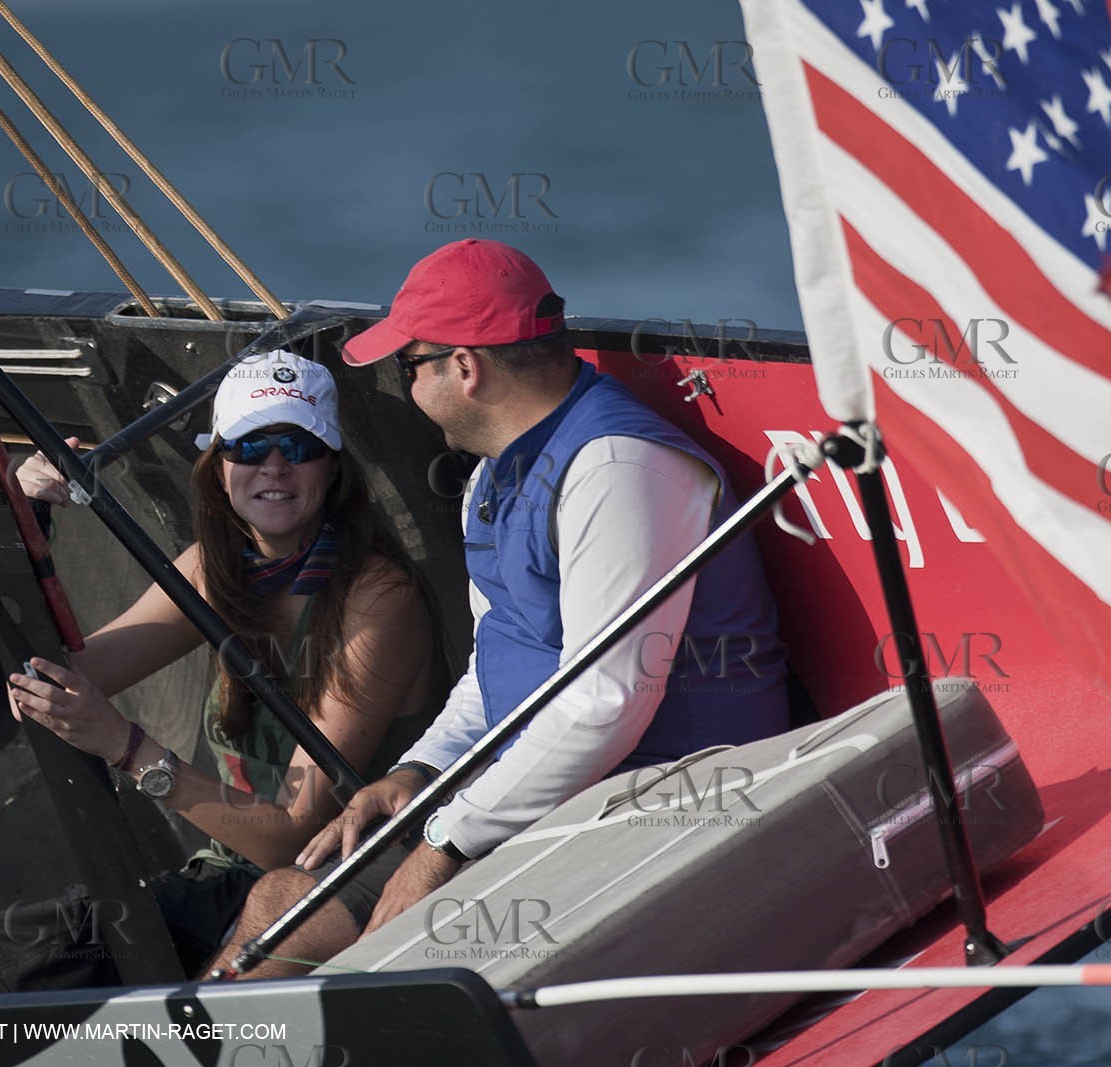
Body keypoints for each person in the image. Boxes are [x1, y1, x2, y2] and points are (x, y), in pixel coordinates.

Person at [210, 240, 792, 977]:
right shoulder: (493, 476)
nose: (407, 389)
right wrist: (422, 768)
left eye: (407, 367)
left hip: (654, 801)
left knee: (310, 930)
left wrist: (445, 842)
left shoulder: (617, 470)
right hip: (553, 788)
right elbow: (501, 657)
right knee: (277, 902)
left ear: (465, 367)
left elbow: (603, 706)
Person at [0, 349, 445, 995]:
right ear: (218, 464)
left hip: (328, 871)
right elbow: (57, 676)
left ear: (333, 467)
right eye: (250, 446)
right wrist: (22, 524)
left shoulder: (378, 597)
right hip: (218, 882)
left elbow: (290, 835)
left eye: (300, 444)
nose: (275, 465)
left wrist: (126, 746)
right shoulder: (214, 569)